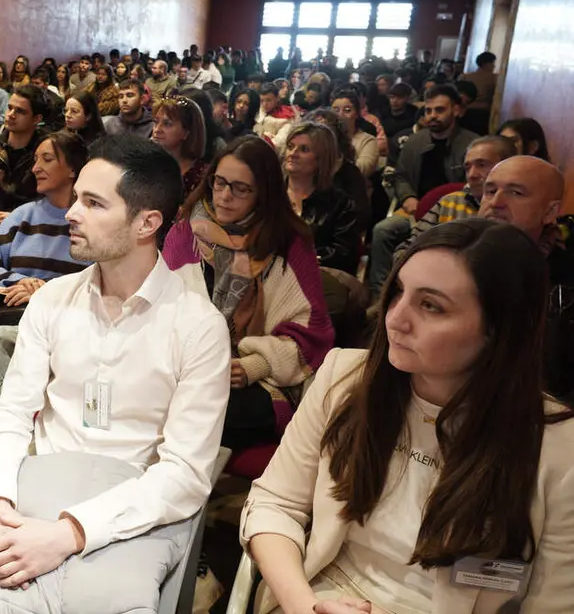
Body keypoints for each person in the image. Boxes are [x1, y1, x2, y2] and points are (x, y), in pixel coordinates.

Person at [0, 135, 232, 614]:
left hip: (123, 516)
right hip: (28, 496)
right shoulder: (53, 301)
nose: (70, 213)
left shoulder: (197, 326)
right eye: (76, 196)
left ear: (147, 223)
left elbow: (183, 473)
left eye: (93, 203)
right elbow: (11, 413)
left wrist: (70, 532)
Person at [241, 218, 574, 614]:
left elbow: (552, 605)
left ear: (499, 330)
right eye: (398, 292)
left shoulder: (558, 449)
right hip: (324, 594)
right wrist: (304, 604)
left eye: (431, 305)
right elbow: (275, 503)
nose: (395, 318)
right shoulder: (345, 378)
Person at [162, 135, 334, 449]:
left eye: (240, 188)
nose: (225, 196)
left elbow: (314, 333)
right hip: (187, 369)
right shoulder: (186, 231)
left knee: (198, 414)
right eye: (219, 182)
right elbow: (161, 312)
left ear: (263, 193)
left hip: (254, 381)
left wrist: (255, 365)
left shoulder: (289, 242)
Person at [479, 155, 574, 401]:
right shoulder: (450, 260)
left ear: (550, 211)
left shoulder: (565, 282)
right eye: (489, 191)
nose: (496, 202)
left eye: (516, 193)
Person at [369, 84, 479, 295]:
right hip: (415, 210)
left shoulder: (471, 144)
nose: (432, 116)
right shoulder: (414, 142)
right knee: (382, 231)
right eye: (428, 111)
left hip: (457, 214)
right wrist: (408, 196)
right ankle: (379, 294)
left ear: (456, 110)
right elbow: (401, 176)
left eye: (439, 110)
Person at [0, 129, 88, 308]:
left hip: (70, 323)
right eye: (36, 160)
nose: (35, 168)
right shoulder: (22, 217)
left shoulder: (91, 223)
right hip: (14, 320)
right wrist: (18, 282)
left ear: (72, 169)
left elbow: (106, 287)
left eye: (47, 159)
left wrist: (44, 292)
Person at [402, 135, 515, 248]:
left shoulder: (519, 207)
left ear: (507, 166)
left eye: (481, 165)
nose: (471, 175)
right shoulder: (448, 203)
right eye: (467, 168)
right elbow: (408, 248)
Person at [282, 123, 361, 275]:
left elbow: (343, 253)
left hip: (317, 274)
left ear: (321, 159)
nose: (293, 153)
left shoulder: (341, 203)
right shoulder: (270, 193)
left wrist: (303, 259)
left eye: (304, 149)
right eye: (290, 146)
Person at [0, 85, 50, 215]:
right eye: (9, 108)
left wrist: (16, 217)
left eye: (20, 111)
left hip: (27, 223)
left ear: (37, 119)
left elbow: (50, 198)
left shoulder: (46, 155)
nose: (11, 115)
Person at [152, 96, 210, 195]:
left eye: (167, 124)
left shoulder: (202, 176)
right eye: (156, 122)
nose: (157, 130)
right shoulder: (146, 163)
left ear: (186, 133)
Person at [330, 90, 379, 177]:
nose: (340, 115)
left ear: (356, 114)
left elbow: (363, 169)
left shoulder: (367, 140)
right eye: (336, 110)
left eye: (347, 110)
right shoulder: (325, 137)